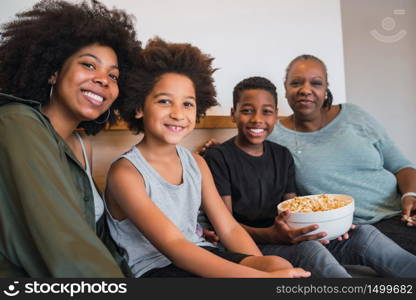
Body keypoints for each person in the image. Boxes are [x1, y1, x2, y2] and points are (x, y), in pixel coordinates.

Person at [104, 38, 311, 278]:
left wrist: (261, 267)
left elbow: (229, 228)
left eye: (188, 104)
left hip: (202, 252)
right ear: (139, 107)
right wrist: (262, 280)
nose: (178, 113)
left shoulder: (196, 163)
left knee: (277, 264)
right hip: (156, 269)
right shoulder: (125, 173)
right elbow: (174, 245)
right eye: (164, 101)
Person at [201, 76, 416, 277]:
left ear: (276, 115)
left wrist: (331, 226)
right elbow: (226, 226)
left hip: (287, 237)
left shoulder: (282, 155)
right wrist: (273, 234)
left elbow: (295, 209)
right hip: (253, 244)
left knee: (365, 235)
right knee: (310, 250)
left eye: (266, 111)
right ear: (233, 114)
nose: (257, 119)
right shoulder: (219, 157)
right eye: (247, 110)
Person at [0, 0, 141, 277]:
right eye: (89, 65)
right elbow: (65, 247)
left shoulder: (81, 146)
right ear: (53, 72)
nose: (104, 80)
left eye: (113, 75)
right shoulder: (17, 122)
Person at [268, 54, 416, 255]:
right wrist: (215, 149)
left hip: (402, 214)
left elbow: (401, 166)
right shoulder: (273, 136)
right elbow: (242, 154)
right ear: (285, 88)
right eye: (296, 83)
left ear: (326, 87)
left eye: (316, 83)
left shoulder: (354, 115)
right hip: (355, 231)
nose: (305, 90)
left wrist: (410, 195)